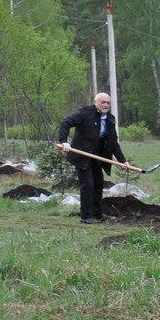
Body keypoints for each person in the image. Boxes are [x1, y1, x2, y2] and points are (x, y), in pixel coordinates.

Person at [57, 92, 128, 224]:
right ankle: (86, 216)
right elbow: (65, 123)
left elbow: (113, 142)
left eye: (108, 103)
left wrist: (122, 161)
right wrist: (64, 141)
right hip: (81, 154)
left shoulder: (110, 119)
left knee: (98, 184)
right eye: (103, 102)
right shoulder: (85, 113)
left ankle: (97, 215)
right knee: (88, 184)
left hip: (96, 156)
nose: (106, 105)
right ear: (96, 102)